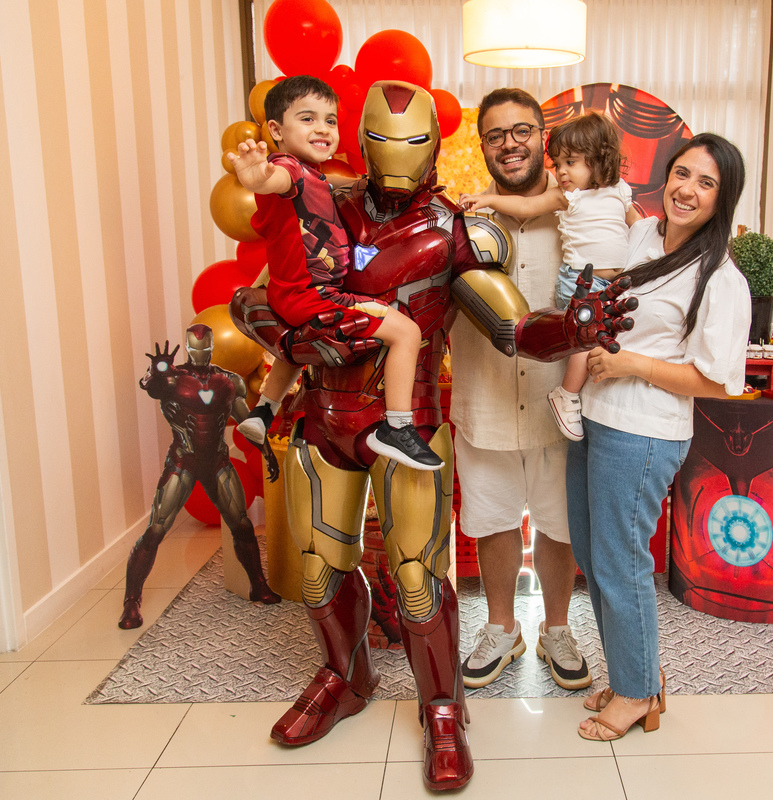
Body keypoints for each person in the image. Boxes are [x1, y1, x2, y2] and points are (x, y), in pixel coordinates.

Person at [228, 80, 632, 791]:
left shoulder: (457, 228)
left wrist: (573, 328)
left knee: (417, 576)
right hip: (325, 415)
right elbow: (258, 301)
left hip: (408, 422)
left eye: (412, 142)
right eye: (383, 139)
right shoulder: (324, 201)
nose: (397, 156)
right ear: (361, 139)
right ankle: (344, 676)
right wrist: (298, 340)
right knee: (320, 569)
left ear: (435, 147)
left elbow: (511, 326)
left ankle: (442, 707)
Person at [567, 133, 751, 741]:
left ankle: (638, 692)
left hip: (643, 435)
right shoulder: (644, 234)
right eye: (682, 173)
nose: (687, 189)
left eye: (706, 182)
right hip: (595, 416)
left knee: (620, 562)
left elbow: (718, 381)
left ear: (722, 199)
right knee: (594, 557)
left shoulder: (720, 277)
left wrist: (633, 365)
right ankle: (636, 672)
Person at [450, 89, 594, 693]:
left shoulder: (582, 213)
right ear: (482, 145)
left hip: (560, 403)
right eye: (495, 134)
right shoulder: (460, 223)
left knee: (560, 525)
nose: (509, 144)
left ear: (543, 138)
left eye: (522, 131)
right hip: (483, 399)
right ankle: (502, 628)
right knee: (491, 520)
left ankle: (556, 628)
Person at [227, 75, 442, 471]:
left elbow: (333, 186)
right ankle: (397, 427)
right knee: (406, 332)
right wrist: (256, 176)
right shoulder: (288, 170)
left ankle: (263, 410)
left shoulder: (313, 177)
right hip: (315, 294)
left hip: (291, 296)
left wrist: (369, 183)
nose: (323, 129)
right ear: (276, 130)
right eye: (307, 119)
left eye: (330, 120)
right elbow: (274, 180)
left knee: (295, 348)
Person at [462, 111, 642, 442]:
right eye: (557, 164)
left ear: (598, 160)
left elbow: (639, 227)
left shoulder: (619, 191)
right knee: (585, 338)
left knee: (606, 342)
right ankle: (566, 395)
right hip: (579, 282)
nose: (560, 172)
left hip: (611, 286)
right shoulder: (566, 196)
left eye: (570, 162)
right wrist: (486, 199)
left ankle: (593, 399)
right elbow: (525, 206)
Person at [119, 325, 281, 629]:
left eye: (205, 349)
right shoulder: (172, 379)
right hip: (184, 460)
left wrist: (267, 451)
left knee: (242, 524)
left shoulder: (228, 380)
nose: (201, 354)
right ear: (188, 348)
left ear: (212, 348)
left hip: (217, 460)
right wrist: (157, 370)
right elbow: (151, 386)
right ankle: (131, 601)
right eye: (196, 349)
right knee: (156, 529)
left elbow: (245, 419)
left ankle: (258, 584)